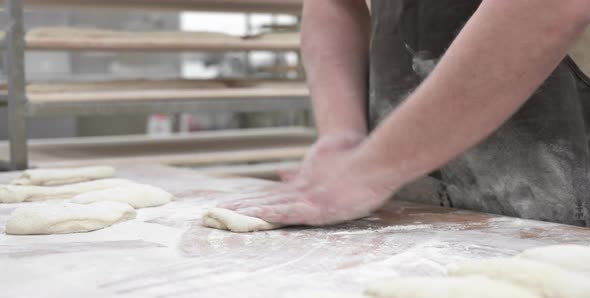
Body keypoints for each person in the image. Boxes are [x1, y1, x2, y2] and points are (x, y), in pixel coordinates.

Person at [223, 0, 590, 227]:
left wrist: (371, 170)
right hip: (415, 204)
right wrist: (343, 138)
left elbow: (549, 7)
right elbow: (331, 5)